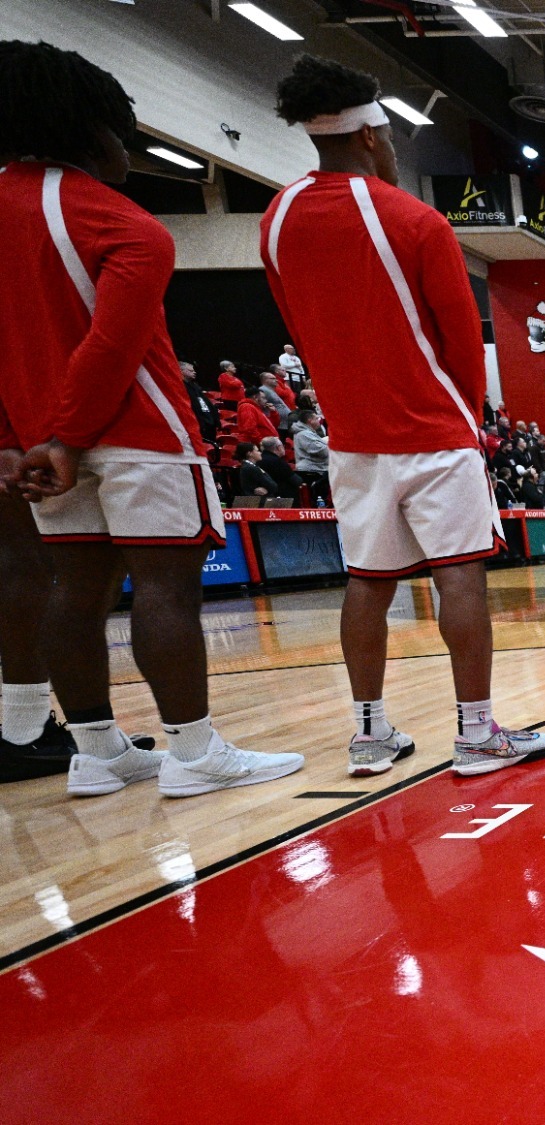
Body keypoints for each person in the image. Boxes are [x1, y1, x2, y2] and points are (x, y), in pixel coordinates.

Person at [0, 41, 301, 798]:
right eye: (118, 130)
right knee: (167, 589)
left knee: (75, 588)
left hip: (38, 439)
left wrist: (22, 441)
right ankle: (194, 751)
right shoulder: (126, 223)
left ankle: (97, 751)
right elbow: (112, 345)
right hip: (135, 433)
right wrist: (70, 437)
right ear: (87, 126)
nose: (125, 146)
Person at [263, 55, 545, 778]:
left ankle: (368, 734)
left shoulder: (276, 219)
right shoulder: (414, 218)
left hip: (352, 437)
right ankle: (478, 733)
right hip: (431, 430)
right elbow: (462, 342)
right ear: (370, 136)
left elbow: (301, 331)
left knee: (367, 579)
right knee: (459, 574)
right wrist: (467, 423)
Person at [293, 409, 330, 505]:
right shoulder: (304, 434)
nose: (319, 420)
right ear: (310, 420)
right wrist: (329, 444)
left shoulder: (308, 433)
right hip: (312, 471)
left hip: (317, 468)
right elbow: (322, 451)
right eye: (316, 418)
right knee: (317, 498)